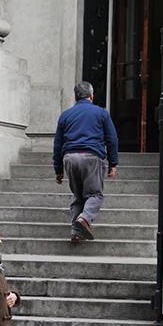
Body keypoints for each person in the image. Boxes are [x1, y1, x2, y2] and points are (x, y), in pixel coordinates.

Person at [52, 81, 119, 243]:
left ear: (76, 97)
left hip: (70, 158)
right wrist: (113, 163)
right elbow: (112, 139)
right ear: (92, 96)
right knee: (95, 194)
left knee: (78, 196)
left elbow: (58, 143)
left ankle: (76, 232)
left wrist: (58, 169)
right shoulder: (101, 113)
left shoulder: (66, 115)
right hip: (91, 157)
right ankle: (85, 218)